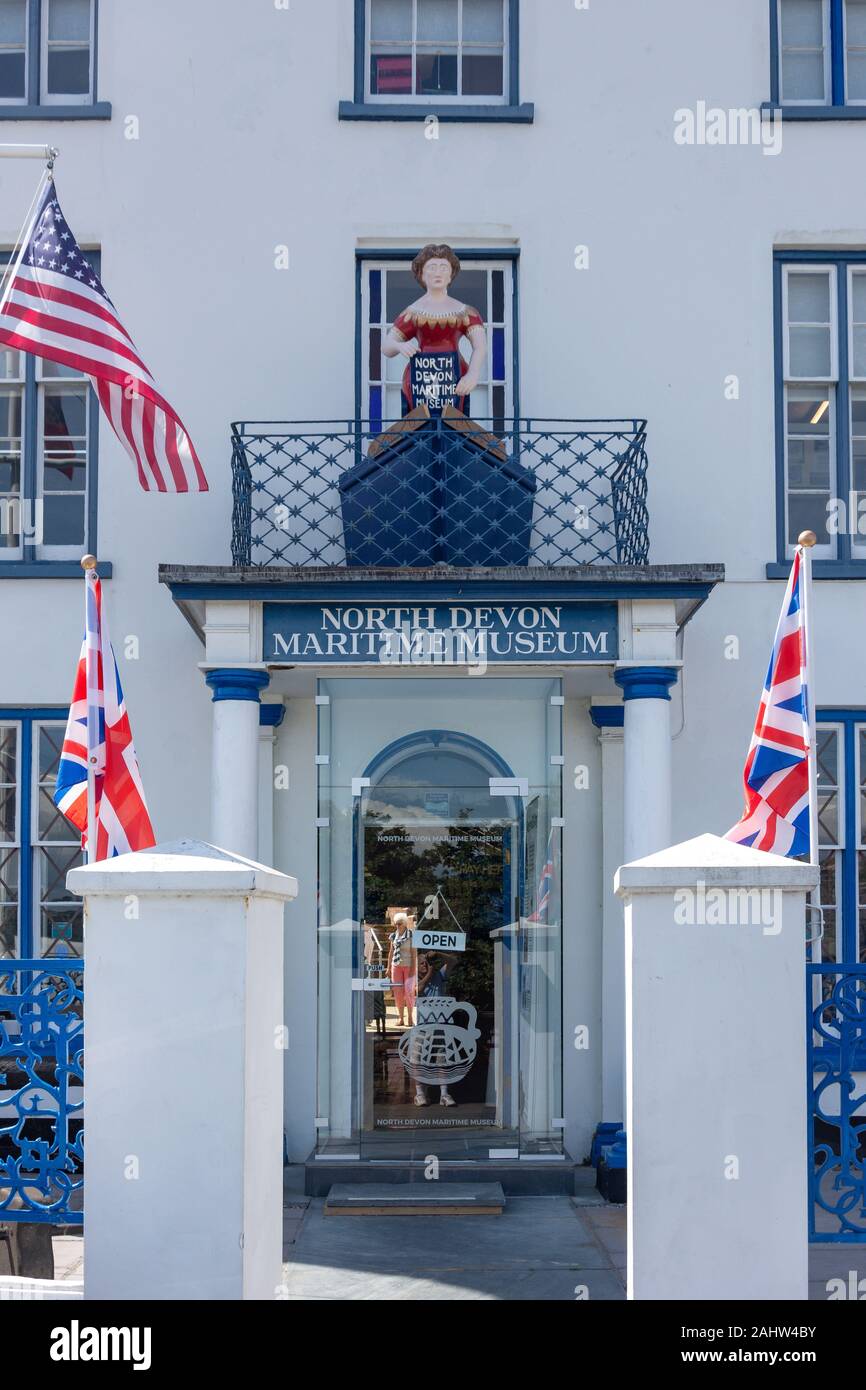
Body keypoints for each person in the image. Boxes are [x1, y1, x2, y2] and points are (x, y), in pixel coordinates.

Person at [382, 243, 488, 417]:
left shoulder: (464, 312)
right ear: (421, 274)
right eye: (431, 267)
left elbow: (480, 346)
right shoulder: (412, 313)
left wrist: (473, 374)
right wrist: (400, 346)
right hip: (419, 378)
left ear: (451, 274)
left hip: (454, 378)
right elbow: (386, 346)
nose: (438, 272)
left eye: (443, 267)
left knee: (453, 427)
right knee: (420, 426)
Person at [412, 952, 456, 1108]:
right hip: (422, 1027)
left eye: (426, 962)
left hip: (440, 1026)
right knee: (418, 1061)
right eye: (422, 963)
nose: (425, 964)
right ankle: (420, 1094)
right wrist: (430, 973)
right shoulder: (413, 978)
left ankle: (444, 1094)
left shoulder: (439, 975)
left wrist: (437, 954)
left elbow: (453, 960)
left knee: (442, 1061)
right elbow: (419, 990)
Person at [387, 912, 416, 1028]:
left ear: (404, 924)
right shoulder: (393, 936)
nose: (397, 926)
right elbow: (391, 953)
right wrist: (388, 967)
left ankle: (409, 1016)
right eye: (396, 924)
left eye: (399, 924)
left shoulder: (411, 935)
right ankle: (400, 1017)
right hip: (396, 966)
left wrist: (413, 969)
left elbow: (414, 954)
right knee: (398, 993)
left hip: (409, 966)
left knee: (409, 992)